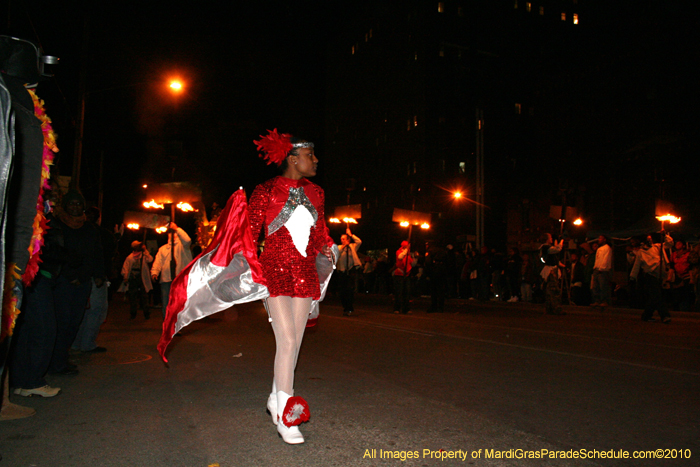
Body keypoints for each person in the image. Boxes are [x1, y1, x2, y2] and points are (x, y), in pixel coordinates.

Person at [71, 207, 115, 353]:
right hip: (94, 276)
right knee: (95, 310)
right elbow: (101, 255)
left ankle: (76, 342)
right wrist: (99, 275)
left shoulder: (76, 229)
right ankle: (87, 343)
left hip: (80, 275)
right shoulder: (97, 232)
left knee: (82, 310)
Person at [150, 222, 193, 318]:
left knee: (179, 303)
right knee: (166, 303)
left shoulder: (183, 247)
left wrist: (177, 228)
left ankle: (177, 324)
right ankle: (168, 324)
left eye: (174, 234)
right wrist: (154, 272)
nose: (172, 236)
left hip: (179, 279)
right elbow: (158, 262)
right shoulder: (163, 249)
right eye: (170, 234)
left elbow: (187, 240)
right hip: (166, 280)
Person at [630, 232, 673, 323]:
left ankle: (646, 315)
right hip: (650, 276)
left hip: (660, 275)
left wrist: (665, 235)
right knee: (657, 295)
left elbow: (669, 244)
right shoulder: (641, 252)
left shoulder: (657, 247)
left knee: (655, 297)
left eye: (650, 239)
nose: (650, 240)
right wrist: (633, 277)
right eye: (648, 239)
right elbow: (636, 265)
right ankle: (665, 316)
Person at [121, 241, 153, 319]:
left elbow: (150, 259)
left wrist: (145, 250)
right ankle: (133, 313)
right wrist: (125, 276)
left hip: (142, 278)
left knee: (144, 296)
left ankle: (146, 313)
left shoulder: (143, 256)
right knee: (132, 296)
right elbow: (125, 267)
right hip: (133, 278)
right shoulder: (130, 257)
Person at [336, 228, 362, 316]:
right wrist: (344, 246)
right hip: (342, 271)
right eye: (341, 239)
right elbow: (336, 253)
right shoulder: (339, 247)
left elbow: (359, 242)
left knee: (350, 290)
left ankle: (349, 308)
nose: (342, 240)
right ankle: (345, 306)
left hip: (350, 270)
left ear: (348, 240)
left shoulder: (353, 246)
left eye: (344, 239)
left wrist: (351, 234)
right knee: (342, 291)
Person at [539, 233, 565, 315]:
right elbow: (556, 249)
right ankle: (556, 308)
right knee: (554, 290)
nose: (551, 239)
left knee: (550, 291)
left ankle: (549, 308)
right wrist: (561, 242)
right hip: (550, 270)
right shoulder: (545, 247)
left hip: (552, 269)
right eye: (550, 237)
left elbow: (554, 257)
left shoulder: (547, 248)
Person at [393, 241, 416, 314]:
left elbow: (412, 264)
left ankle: (406, 308)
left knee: (407, 292)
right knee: (399, 292)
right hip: (399, 274)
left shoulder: (408, 254)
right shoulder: (399, 252)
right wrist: (406, 250)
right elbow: (400, 257)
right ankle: (397, 308)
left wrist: (416, 258)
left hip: (407, 275)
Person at [591, 235, 613, 307]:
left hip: (603, 270)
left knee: (603, 286)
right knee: (596, 286)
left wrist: (602, 268)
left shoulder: (607, 248)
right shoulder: (599, 249)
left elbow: (606, 259)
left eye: (600, 238)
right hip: (597, 269)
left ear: (604, 239)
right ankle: (597, 300)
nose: (599, 240)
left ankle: (604, 301)